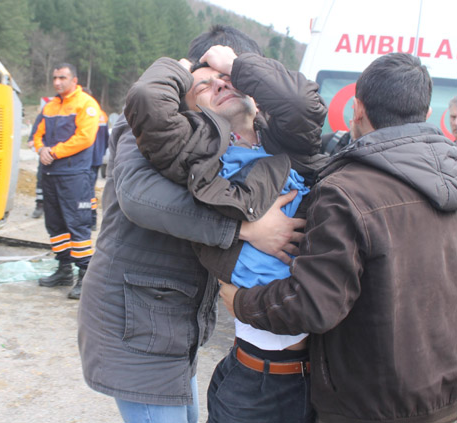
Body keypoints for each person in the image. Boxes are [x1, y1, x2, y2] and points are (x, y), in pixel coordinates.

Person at [78, 25, 326, 423]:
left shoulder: (248, 137)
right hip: (136, 319)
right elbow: (138, 196)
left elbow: (302, 108)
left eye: (232, 75)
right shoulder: (155, 128)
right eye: (207, 79)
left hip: (176, 324)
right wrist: (246, 229)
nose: (222, 85)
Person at [220, 52, 457, 423]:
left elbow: (312, 304)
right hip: (444, 397)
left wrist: (242, 302)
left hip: (368, 404)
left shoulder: (346, 191)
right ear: (426, 113)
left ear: (357, 109)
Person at [31, 63, 100, 300]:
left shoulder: (86, 104)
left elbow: (84, 138)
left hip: (74, 176)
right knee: (55, 225)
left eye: (62, 77)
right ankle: (63, 269)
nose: (57, 82)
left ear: (74, 80)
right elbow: (36, 135)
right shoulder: (49, 106)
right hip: (50, 175)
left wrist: (53, 152)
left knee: (78, 224)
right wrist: (41, 150)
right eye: (55, 78)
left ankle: (84, 274)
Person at [82, 87, 109, 231]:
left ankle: (89, 219)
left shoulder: (84, 113)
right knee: (89, 190)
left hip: (84, 159)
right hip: (96, 158)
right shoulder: (102, 114)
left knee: (83, 191)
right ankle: (92, 219)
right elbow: (106, 139)